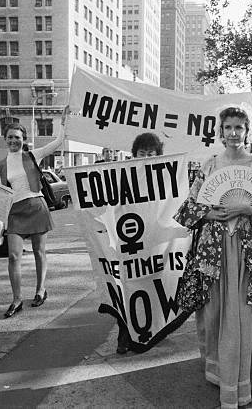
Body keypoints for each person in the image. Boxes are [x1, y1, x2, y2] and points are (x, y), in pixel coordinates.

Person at [174, 105, 252, 408]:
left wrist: (247, 209)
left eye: (240, 127)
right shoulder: (209, 165)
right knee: (216, 313)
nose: (234, 133)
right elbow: (187, 210)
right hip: (214, 253)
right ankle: (220, 374)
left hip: (249, 254)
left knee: (247, 314)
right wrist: (212, 211)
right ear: (220, 132)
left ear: (247, 131)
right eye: (228, 128)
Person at [0, 112, 68, 318]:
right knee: (13, 256)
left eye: (17, 137)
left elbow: (57, 142)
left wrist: (64, 122)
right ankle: (16, 299)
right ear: (5, 140)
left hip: (36, 206)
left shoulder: (32, 155)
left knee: (39, 252)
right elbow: (0, 193)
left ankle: (40, 289)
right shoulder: (0, 165)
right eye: (10, 137)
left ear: (24, 139)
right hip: (15, 212)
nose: (13, 140)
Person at [113, 131, 165, 355]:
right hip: (128, 240)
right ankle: (124, 333)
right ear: (134, 154)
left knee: (153, 284)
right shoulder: (122, 175)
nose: (145, 157)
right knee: (126, 285)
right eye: (141, 153)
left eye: (150, 153)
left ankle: (153, 329)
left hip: (153, 239)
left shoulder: (164, 177)